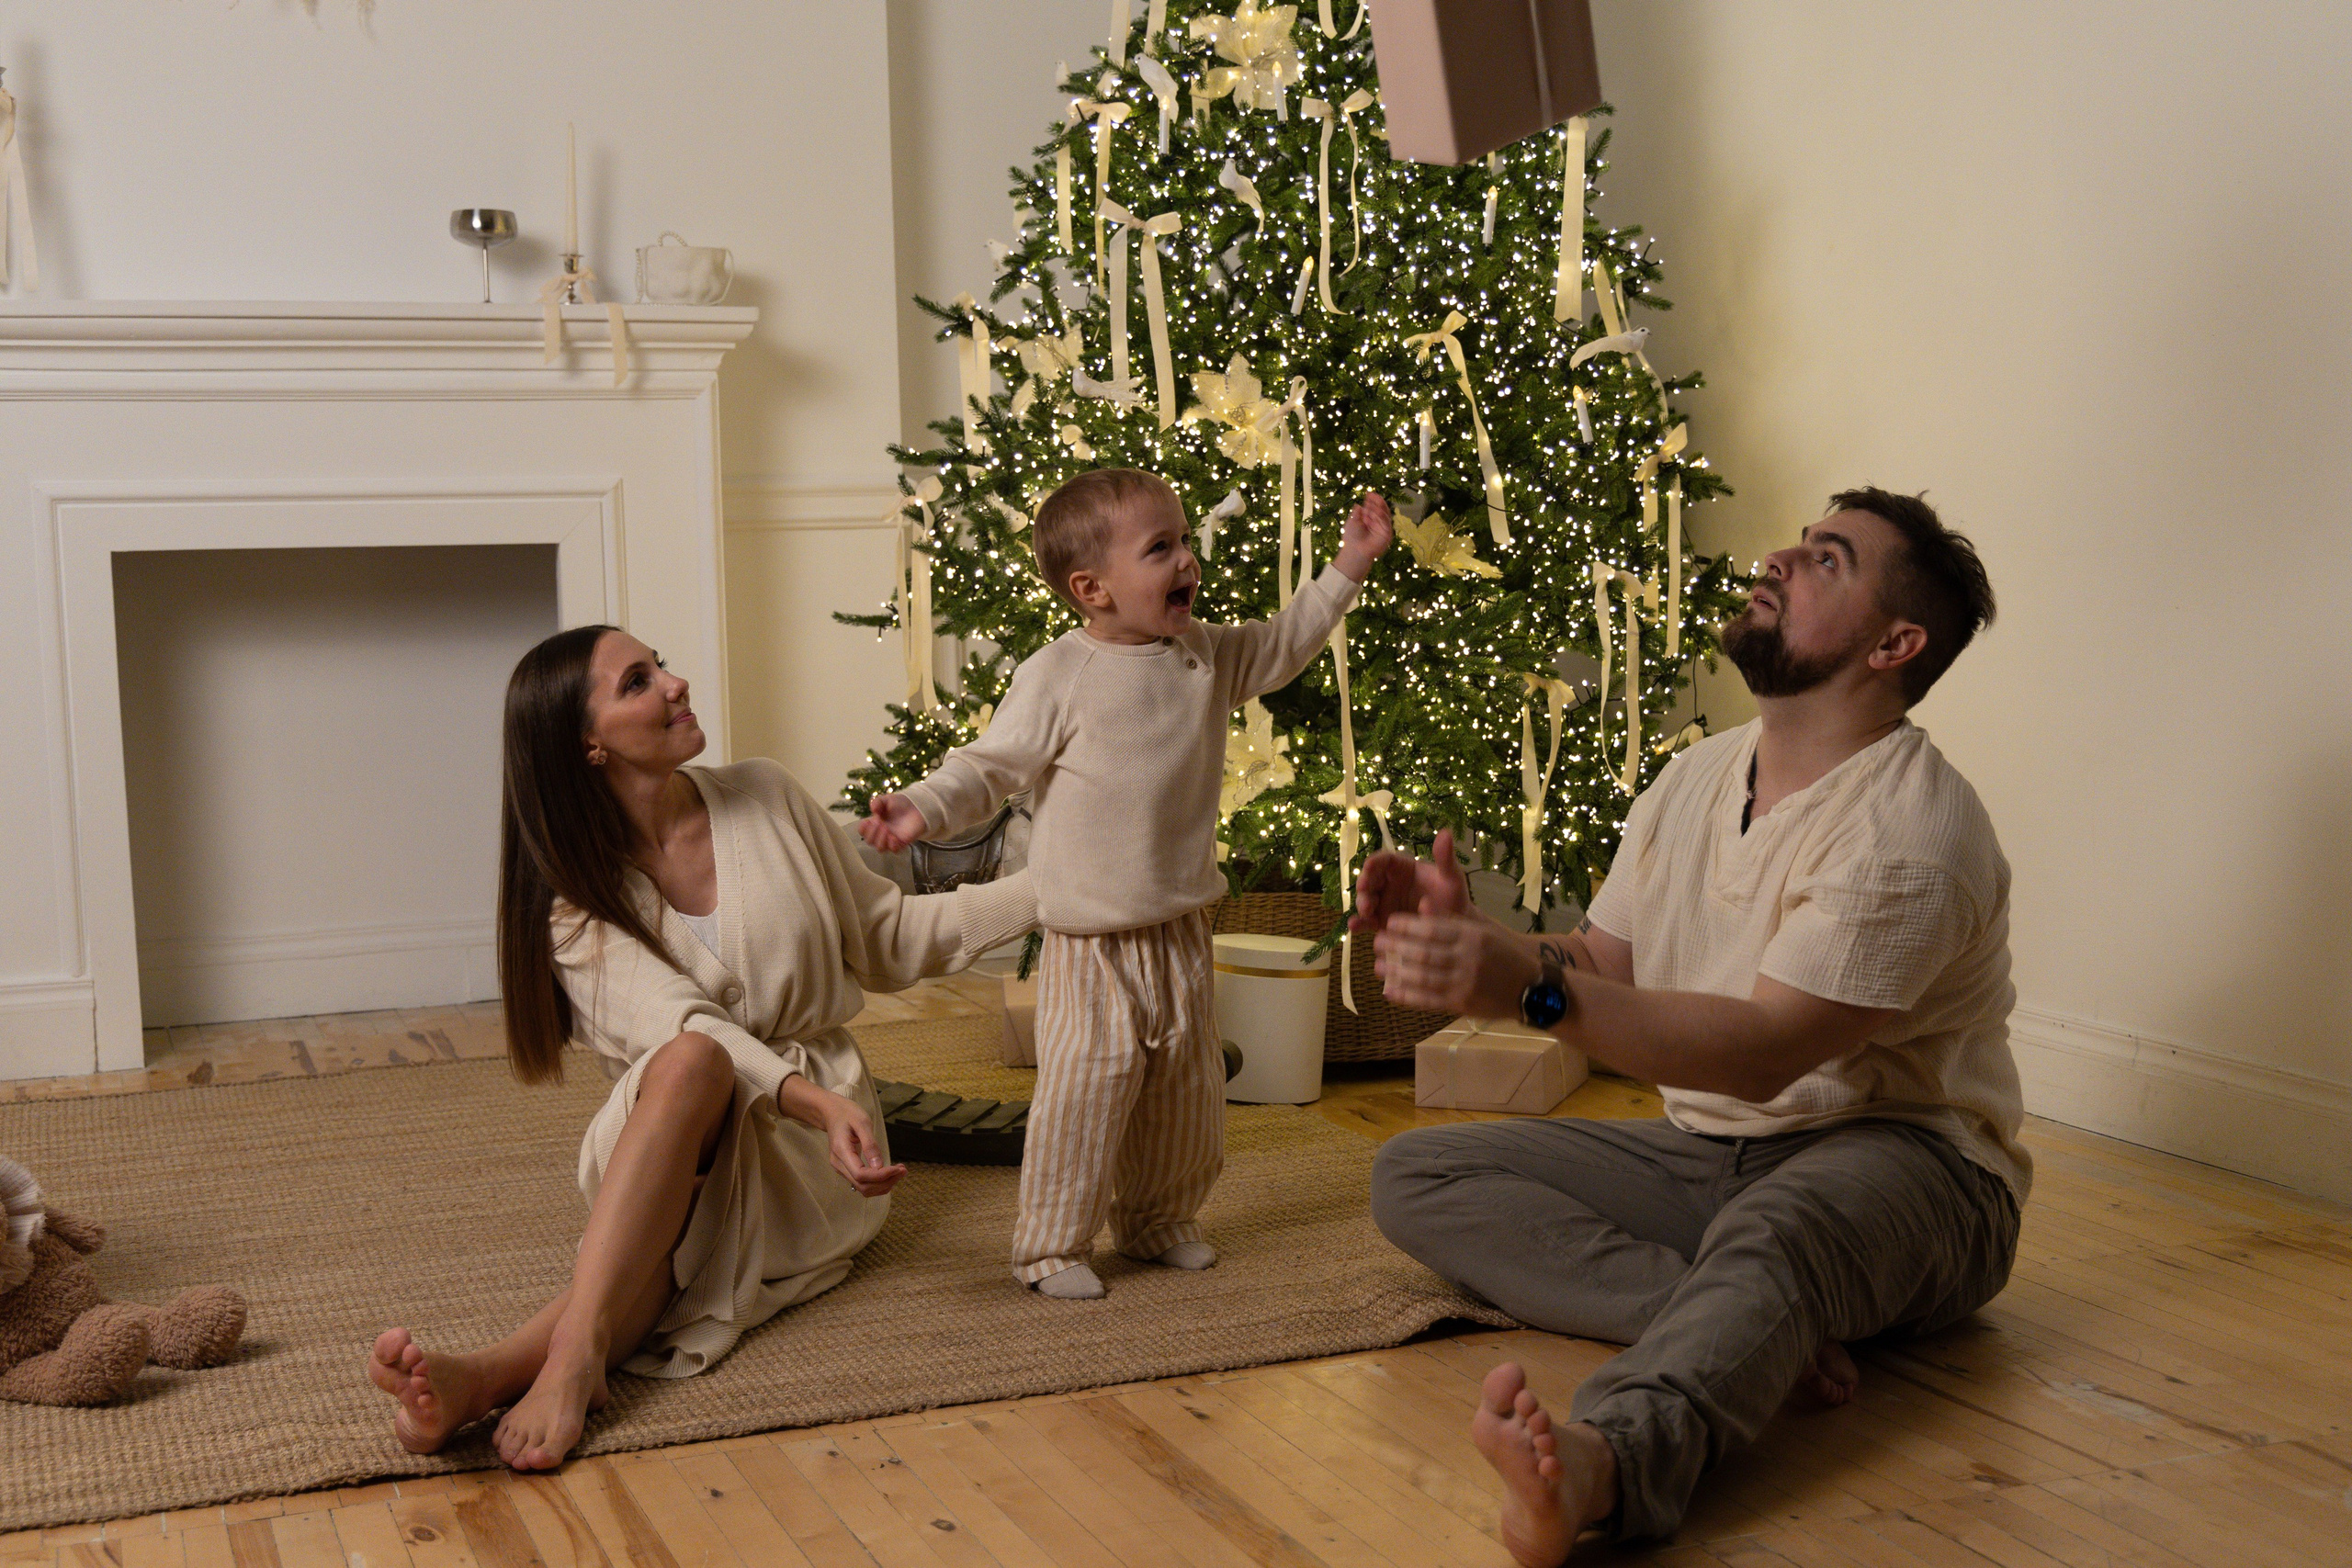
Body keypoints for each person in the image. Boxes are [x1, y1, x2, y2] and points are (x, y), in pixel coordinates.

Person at [1357, 488, 2021, 1562]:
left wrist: (1519, 991)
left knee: (1781, 1234)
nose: (1779, 559)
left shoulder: (1915, 830)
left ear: (1895, 643)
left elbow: (1764, 1054)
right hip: (1710, 1153)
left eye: (1826, 561)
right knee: (1416, 1178)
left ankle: (1606, 1464)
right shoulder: (1695, 775)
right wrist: (1481, 941)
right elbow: (1604, 963)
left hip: (1912, 1165)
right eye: (1798, 542)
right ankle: (1752, 1321)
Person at [366, 625, 1035, 1470]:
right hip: (684, 1123)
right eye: (640, 681)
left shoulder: (766, 795)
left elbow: (889, 937)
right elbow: (692, 1031)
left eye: (662, 665)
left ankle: (499, 1370)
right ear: (591, 745)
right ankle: (559, 1361)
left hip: (811, 1156)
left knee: (672, 1239)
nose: (677, 684)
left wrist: (1046, 889)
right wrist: (813, 1099)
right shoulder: (575, 905)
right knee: (692, 1062)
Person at [860, 468, 1396, 1299]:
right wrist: (920, 810)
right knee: (1088, 1087)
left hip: (1180, 922)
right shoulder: (1058, 673)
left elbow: (1287, 641)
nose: (1188, 560)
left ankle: (1158, 1219)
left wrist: (1347, 567)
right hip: (1089, 935)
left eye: (1184, 540)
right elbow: (989, 765)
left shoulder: (1205, 653)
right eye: (1161, 548)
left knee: (1186, 1091)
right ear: (1093, 588)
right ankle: (1049, 1246)